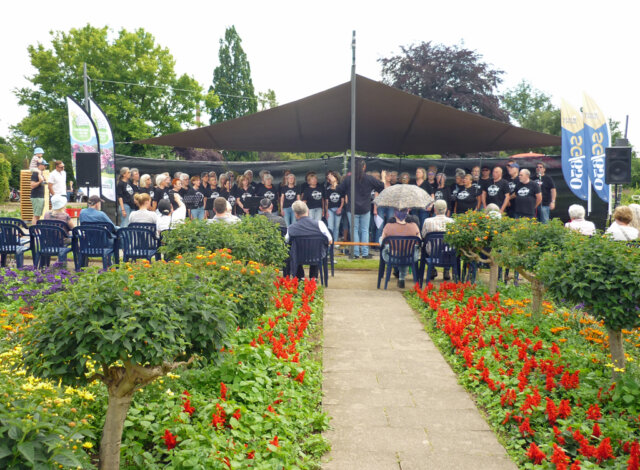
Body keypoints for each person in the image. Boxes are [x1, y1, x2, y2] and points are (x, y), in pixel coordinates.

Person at [338, 160, 384, 259]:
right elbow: (381, 186)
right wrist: (383, 177)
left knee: (354, 230)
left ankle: (355, 253)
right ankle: (365, 253)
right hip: (365, 208)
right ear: (364, 167)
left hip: (352, 208)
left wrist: (345, 192)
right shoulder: (369, 178)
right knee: (364, 230)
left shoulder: (348, 179)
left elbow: (339, 190)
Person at [285, 200, 332, 279]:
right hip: (316, 255)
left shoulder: (291, 228)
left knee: (292, 250)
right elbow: (330, 240)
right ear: (307, 211)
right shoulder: (320, 224)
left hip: (298, 257)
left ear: (296, 214)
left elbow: (286, 241)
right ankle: (314, 277)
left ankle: (300, 277)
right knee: (317, 250)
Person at [380, 208, 421, 288]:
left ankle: (400, 276)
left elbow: (383, 241)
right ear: (407, 212)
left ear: (395, 213)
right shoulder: (414, 226)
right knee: (405, 252)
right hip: (409, 257)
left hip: (392, 257)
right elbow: (419, 241)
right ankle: (401, 278)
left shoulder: (388, 226)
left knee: (387, 245)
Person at [422, 199, 454, 281]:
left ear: (435, 209)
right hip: (448, 252)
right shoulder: (452, 222)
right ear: (446, 209)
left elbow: (423, 236)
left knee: (426, 246)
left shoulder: (427, 221)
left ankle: (432, 269)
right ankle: (446, 270)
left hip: (431, 251)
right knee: (448, 246)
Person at [324, 171, 344, 242]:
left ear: (336, 178)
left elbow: (342, 200)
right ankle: (330, 241)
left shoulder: (340, 187)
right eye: (331, 176)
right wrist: (326, 211)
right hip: (330, 209)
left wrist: (340, 208)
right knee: (330, 226)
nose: (331, 177)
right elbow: (326, 202)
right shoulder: (328, 189)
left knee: (337, 227)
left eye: (333, 176)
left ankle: (335, 242)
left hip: (338, 208)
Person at [30, 158, 47, 225]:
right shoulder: (35, 173)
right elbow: (32, 185)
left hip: (40, 197)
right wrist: (40, 181)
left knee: (38, 215)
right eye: (44, 165)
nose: (46, 166)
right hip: (36, 197)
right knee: (36, 215)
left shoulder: (40, 173)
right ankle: (34, 230)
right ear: (39, 165)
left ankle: (36, 229)